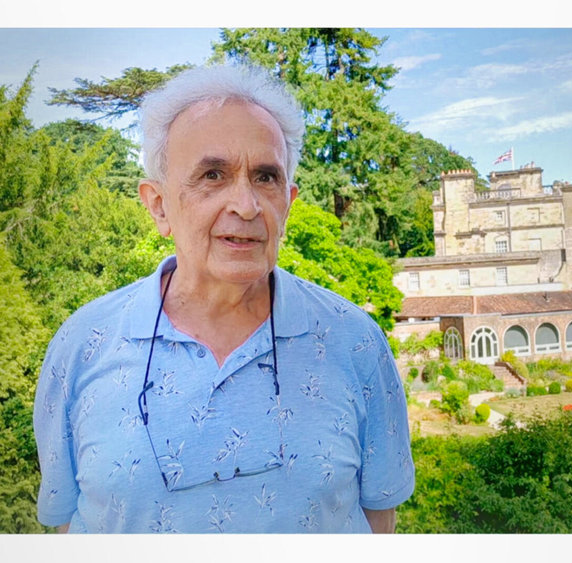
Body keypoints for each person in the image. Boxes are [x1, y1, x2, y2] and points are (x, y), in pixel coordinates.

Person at [32, 64, 414, 533]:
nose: (246, 205)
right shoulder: (83, 344)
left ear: (288, 203)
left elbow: (379, 519)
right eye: (213, 175)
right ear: (158, 205)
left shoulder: (355, 342)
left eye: (266, 177)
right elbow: (67, 524)